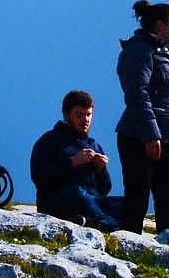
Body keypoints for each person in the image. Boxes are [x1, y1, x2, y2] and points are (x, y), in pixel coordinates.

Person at [116, 0, 169, 236]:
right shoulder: (140, 51)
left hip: (167, 139)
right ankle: (128, 255)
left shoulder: (164, 55)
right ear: (159, 25)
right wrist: (150, 136)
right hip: (139, 137)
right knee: (137, 202)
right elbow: (137, 93)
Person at [30, 91, 126, 229]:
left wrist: (101, 170)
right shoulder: (49, 140)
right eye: (79, 115)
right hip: (56, 203)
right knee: (76, 192)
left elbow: (104, 190)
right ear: (66, 114)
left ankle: (87, 221)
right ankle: (109, 225)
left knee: (131, 203)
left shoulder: (94, 145)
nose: (85, 120)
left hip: (90, 201)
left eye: (88, 115)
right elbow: (38, 176)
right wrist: (72, 162)